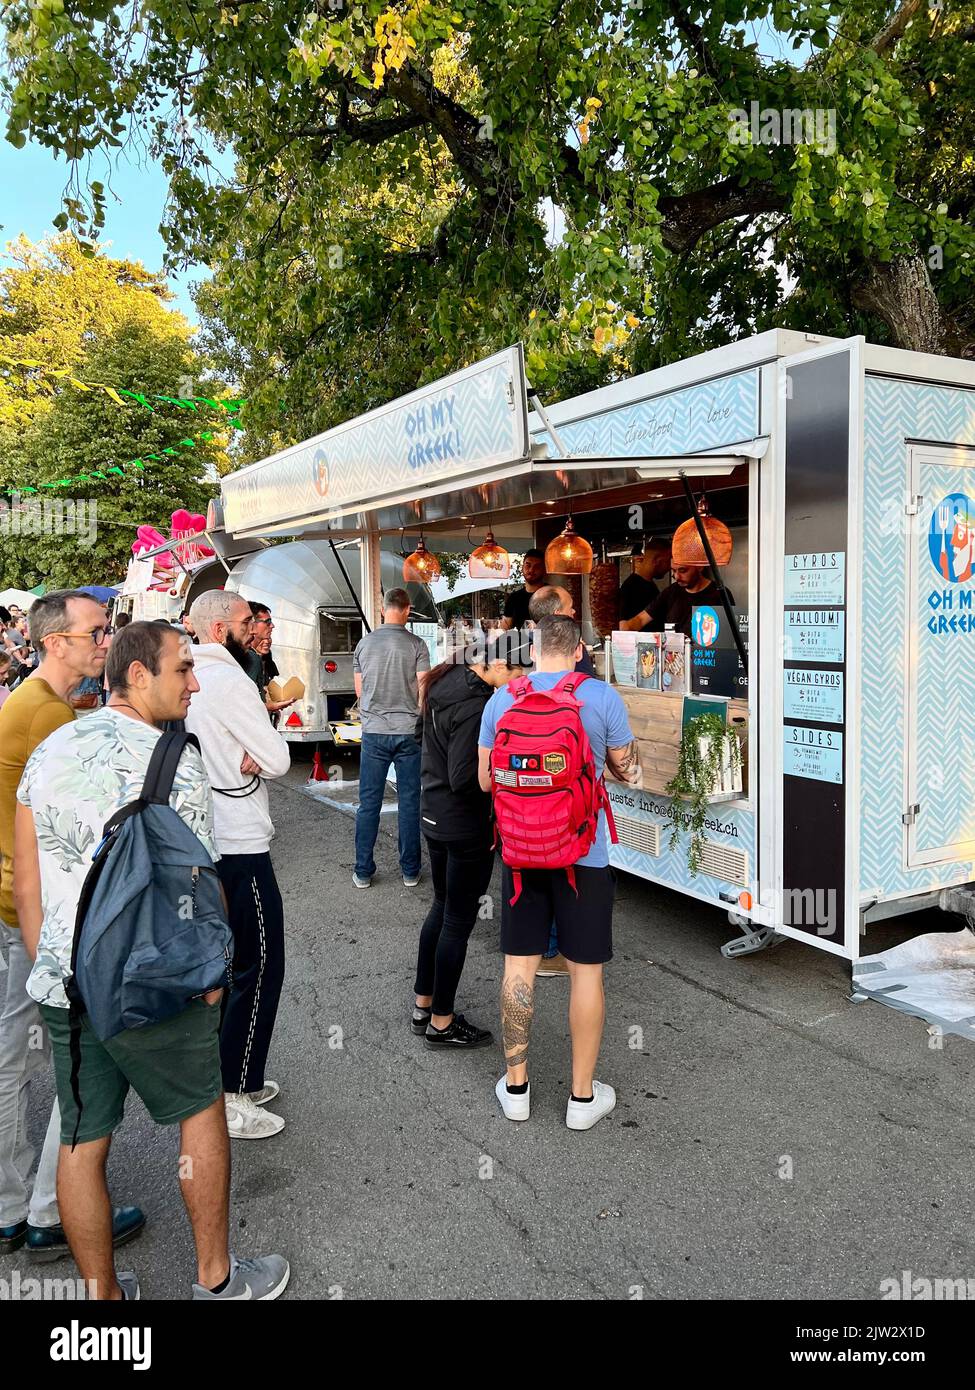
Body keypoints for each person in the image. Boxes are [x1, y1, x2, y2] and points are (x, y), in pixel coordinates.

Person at [14, 621, 289, 1300]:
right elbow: (197, 881)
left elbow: (26, 879)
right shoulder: (173, 760)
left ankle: (103, 1298)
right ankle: (215, 1282)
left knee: (82, 1139)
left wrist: (50, 962)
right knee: (199, 1113)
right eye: (182, 670)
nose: (193, 683)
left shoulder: (49, 749)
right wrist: (213, 981)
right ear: (137, 674)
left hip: (68, 980)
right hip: (154, 979)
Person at [0, 590, 145, 1261]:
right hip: (37, 918)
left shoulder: (34, 705)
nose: (104, 640)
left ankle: (13, 1207)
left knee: (17, 1064)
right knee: (76, 1062)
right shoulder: (48, 718)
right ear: (55, 641)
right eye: (95, 631)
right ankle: (50, 1211)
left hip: (11, 910)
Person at [478, 614, 640, 1132]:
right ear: (577, 652)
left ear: (533, 650)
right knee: (585, 971)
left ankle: (518, 1089)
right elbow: (629, 771)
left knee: (519, 969)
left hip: (521, 855)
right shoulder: (602, 697)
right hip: (583, 856)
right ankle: (581, 1098)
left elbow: (486, 781)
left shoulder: (503, 699)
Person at [186, 591, 291, 1141]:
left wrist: (260, 743)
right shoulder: (228, 681)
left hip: (211, 838)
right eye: (249, 621)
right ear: (222, 627)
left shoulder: (192, 676)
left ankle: (237, 1079)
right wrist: (265, 742)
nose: (258, 629)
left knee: (234, 966)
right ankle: (234, 1090)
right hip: (240, 839)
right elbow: (277, 759)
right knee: (260, 964)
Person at [412, 635, 529, 1049]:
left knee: (441, 908)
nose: (519, 684)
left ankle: (423, 1004)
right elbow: (466, 777)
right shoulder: (476, 704)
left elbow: (420, 740)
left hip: (432, 812)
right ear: (498, 667)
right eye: (518, 674)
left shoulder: (446, 680)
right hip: (463, 825)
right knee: (457, 922)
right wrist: (504, 766)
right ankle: (442, 1023)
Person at [352, 588, 430, 889]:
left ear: (383, 609)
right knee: (410, 802)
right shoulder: (417, 645)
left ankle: (363, 871)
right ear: (407, 610)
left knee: (368, 803)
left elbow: (360, 692)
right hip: (409, 731)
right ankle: (410, 870)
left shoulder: (363, 644)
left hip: (374, 732)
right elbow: (424, 689)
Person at [626, 563, 734, 638]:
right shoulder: (670, 592)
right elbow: (640, 619)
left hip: (705, 662)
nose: (676, 576)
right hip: (673, 663)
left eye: (683, 570)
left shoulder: (720, 594)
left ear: (700, 567)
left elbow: (729, 636)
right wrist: (620, 634)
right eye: (673, 570)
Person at [528, 585, 595, 675]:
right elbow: (588, 685)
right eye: (570, 607)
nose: (573, 611)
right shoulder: (571, 644)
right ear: (558, 615)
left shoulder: (515, 643)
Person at [617, 539, 672, 628]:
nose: (670, 567)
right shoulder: (630, 587)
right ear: (658, 560)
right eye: (668, 561)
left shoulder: (651, 586)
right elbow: (624, 628)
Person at [499, 549, 547, 631]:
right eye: (528, 565)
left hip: (547, 643)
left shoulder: (552, 594)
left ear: (544, 570)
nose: (531, 570)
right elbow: (505, 628)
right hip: (519, 643)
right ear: (522, 567)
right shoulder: (514, 598)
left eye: (537, 566)